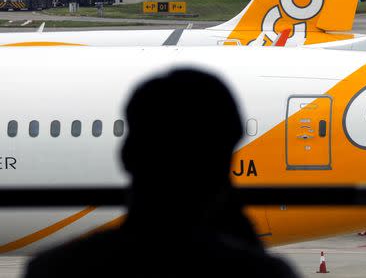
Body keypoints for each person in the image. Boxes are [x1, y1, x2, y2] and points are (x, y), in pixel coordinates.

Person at [26, 69, 297, 278]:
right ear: (224, 165)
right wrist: (242, 241)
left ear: (127, 156)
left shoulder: (55, 269)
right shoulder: (260, 272)